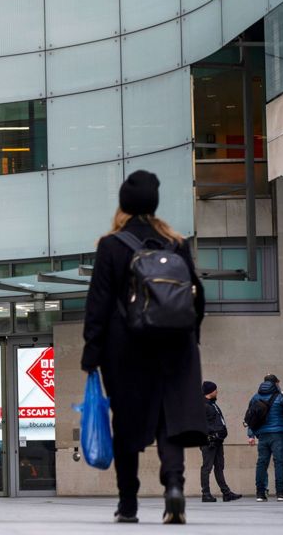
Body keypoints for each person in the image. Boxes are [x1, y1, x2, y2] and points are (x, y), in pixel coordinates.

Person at [80, 170, 208, 525]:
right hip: (175, 346)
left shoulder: (111, 245)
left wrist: (92, 354)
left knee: (127, 425)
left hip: (127, 348)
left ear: (123, 204)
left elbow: (99, 305)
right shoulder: (175, 243)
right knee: (169, 420)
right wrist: (190, 339)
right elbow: (198, 297)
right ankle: (174, 488)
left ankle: (129, 503)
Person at [247, 374, 283, 502]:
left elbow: (250, 418)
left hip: (262, 435)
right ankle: (280, 493)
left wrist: (250, 435)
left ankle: (260, 494)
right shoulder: (281, 397)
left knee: (262, 463)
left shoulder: (255, 397)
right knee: (279, 463)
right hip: (278, 434)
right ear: (276, 383)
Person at [200, 381, 240, 502]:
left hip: (217, 441)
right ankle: (206, 494)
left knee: (219, 467)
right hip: (209, 442)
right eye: (215, 389)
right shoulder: (203, 405)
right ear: (210, 391)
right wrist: (211, 435)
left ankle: (226, 493)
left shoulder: (213, 404)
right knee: (207, 467)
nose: (217, 391)